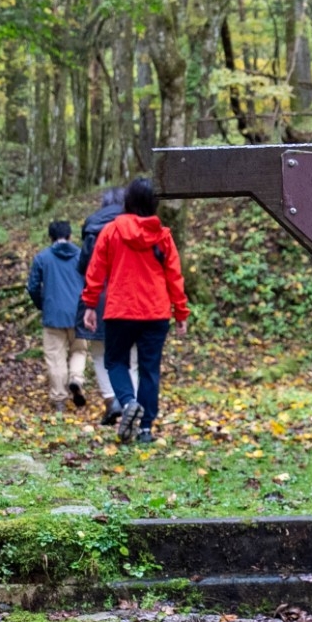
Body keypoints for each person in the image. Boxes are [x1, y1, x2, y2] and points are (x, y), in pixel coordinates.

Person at [79, 177, 189, 444]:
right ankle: (146, 429)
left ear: (128, 201)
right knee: (149, 369)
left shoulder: (112, 231)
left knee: (115, 361)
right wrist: (181, 313)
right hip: (156, 312)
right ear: (154, 203)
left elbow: (96, 271)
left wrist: (90, 304)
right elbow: (174, 276)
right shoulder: (162, 236)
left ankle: (128, 402)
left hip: (121, 310)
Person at [25, 220, 89, 408]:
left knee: (55, 357)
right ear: (70, 236)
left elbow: (33, 287)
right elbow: (91, 282)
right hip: (78, 313)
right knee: (79, 350)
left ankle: (59, 399)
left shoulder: (42, 258)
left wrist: (42, 304)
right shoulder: (81, 256)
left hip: (53, 315)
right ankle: (76, 379)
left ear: (51, 237)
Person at [76, 186, 126, 426]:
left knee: (99, 352)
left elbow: (84, 265)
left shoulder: (93, 229)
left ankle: (111, 399)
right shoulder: (133, 226)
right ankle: (129, 402)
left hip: (98, 297)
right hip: (128, 296)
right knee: (130, 353)